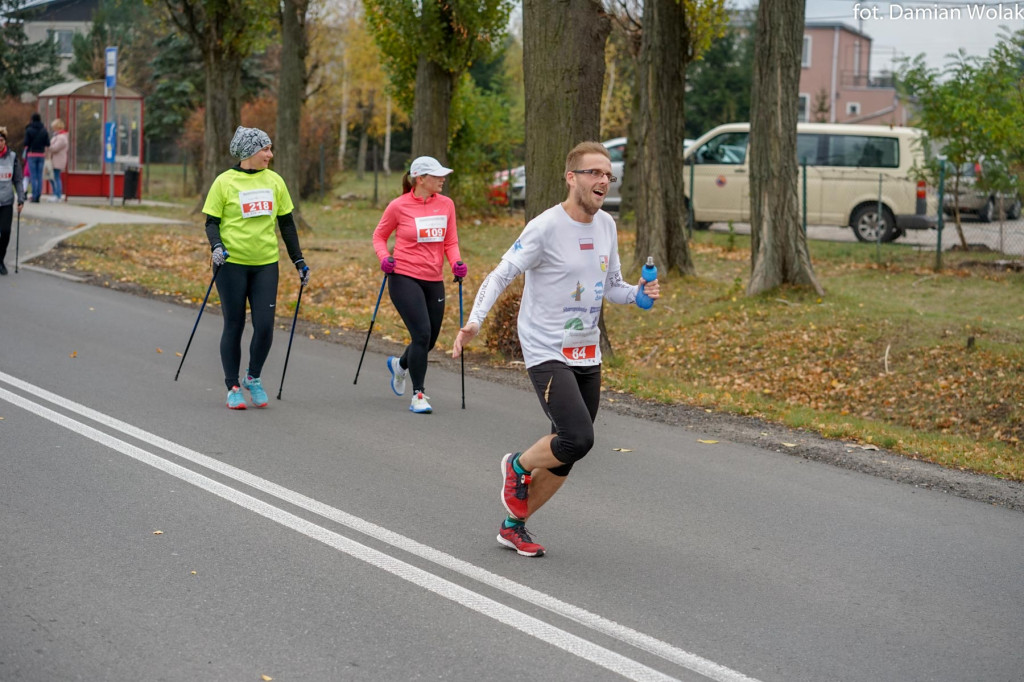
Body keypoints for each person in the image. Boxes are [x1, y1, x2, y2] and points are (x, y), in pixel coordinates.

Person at [452, 141, 661, 557]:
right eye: (594, 173)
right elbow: (500, 274)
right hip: (546, 348)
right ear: (572, 178)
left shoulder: (607, 227)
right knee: (578, 437)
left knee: (565, 453)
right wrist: (475, 319)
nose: (603, 180)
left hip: (587, 350)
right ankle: (516, 465)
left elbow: (612, 285)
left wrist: (639, 294)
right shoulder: (545, 227)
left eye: (608, 175)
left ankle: (514, 526)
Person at [202, 125, 310, 410]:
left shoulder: (275, 181)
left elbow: (286, 224)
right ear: (249, 151)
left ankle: (253, 376)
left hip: (265, 264)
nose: (270, 154)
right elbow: (211, 222)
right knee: (234, 325)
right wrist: (216, 247)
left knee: (265, 326)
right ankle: (233, 386)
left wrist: (298, 259)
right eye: (265, 149)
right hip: (231, 264)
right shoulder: (224, 182)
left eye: (270, 148)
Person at [372, 155, 466, 414]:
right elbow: (379, 236)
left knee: (429, 340)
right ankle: (419, 394)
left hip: (434, 279)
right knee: (422, 334)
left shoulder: (446, 205)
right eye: (437, 176)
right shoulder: (398, 206)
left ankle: (400, 364)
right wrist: (384, 258)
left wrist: (456, 262)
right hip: (403, 276)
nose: (443, 180)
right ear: (420, 179)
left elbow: (450, 241)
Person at [0, 126, 27, 275]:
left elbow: (18, 180)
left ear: (5, 141)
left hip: (6, 201)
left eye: (1, 140)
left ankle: (0, 260)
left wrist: (21, 199)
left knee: (5, 232)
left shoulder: (12, 157)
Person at [22, 113, 49, 203]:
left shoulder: (29, 130)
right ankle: (38, 195)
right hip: (41, 154)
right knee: (39, 176)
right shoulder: (44, 130)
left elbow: (26, 142)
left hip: (32, 154)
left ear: (32, 119)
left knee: (33, 176)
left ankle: (34, 195)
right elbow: (48, 143)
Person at [48, 118, 69, 202]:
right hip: (54, 159)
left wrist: (48, 147)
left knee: (56, 177)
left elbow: (55, 148)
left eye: (54, 127)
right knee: (52, 177)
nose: (53, 129)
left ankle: (58, 195)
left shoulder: (62, 137)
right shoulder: (57, 136)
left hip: (58, 160)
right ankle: (55, 193)